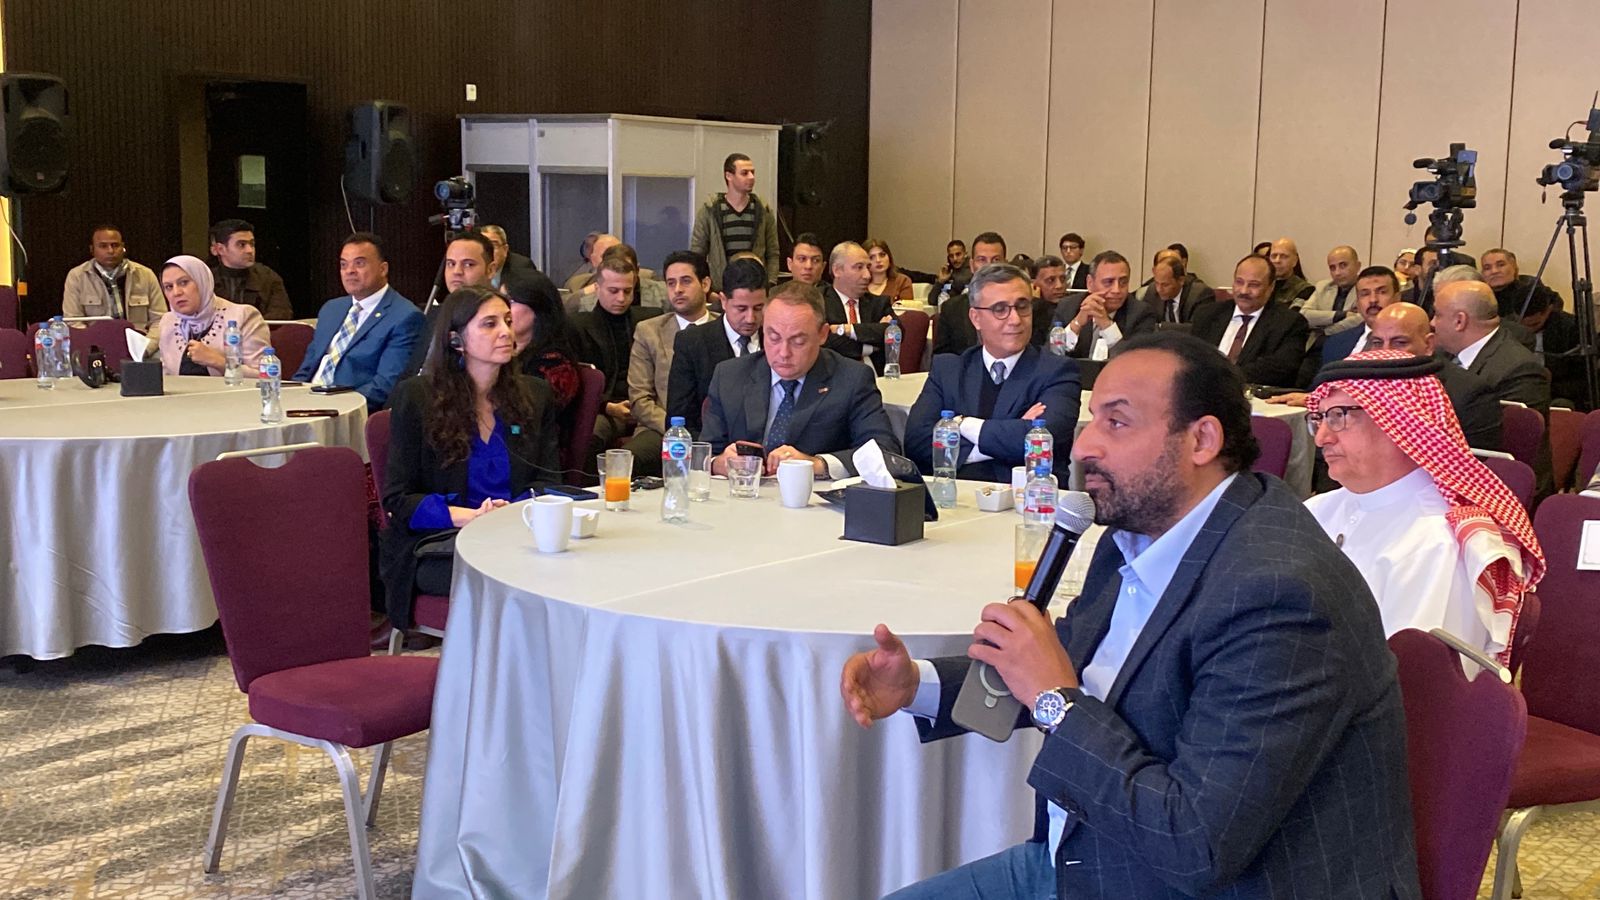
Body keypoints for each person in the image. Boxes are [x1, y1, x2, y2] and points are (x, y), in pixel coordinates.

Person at [842, 331, 1420, 898]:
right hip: (1088, 860)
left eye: (1116, 423)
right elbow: (1065, 661)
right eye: (1092, 419)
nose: (1083, 446)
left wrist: (1054, 701)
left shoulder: (1279, 595)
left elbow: (1196, 845)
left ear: (1201, 440)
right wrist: (917, 683)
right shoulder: (1140, 531)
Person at [1305, 351, 1544, 662]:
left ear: (1399, 421)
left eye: (1339, 417)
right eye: (1319, 419)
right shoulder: (1314, 510)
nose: (1322, 438)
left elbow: (1410, 677)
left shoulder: (1440, 544)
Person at [380, 286, 560, 631]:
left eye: (507, 321)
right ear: (456, 340)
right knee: (509, 575)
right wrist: (473, 518)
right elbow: (399, 499)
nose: (506, 332)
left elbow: (549, 482)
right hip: (441, 542)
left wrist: (509, 514)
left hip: (516, 533)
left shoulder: (534, 396)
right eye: (490, 324)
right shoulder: (416, 398)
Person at [702, 280, 898, 478]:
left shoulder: (852, 379)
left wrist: (817, 464)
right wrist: (717, 463)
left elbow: (885, 452)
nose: (783, 352)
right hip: (743, 492)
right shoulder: (730, 375)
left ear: (822, 335)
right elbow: (705, 452)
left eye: (798, 341)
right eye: (774, 338)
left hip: (813, 494)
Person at [904, 263, 1081, 483]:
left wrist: (961, 424)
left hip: (1028, 497)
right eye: (1000, 309)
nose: (1015, 319)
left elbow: (1044, 441)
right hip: (955, 497)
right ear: (976, 318)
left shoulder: (1058, 372)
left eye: (1022, 306)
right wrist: (1012, 433)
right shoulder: (949, 370)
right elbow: (916, 443)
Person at [1268, 303, 1505, 452]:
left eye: (1399, 342)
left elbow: (1469, 471)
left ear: (1428, 345)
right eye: (1377, 342)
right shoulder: (1357, 387)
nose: (1385, 352)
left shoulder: (1469, 394)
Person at [293, 233, 424, 411]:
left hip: (348, 411)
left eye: (359, 263)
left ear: (383, 269)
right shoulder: (331, 309)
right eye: (344, 264)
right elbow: (307, 369)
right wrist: (290, 398)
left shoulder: (405, 317)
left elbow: (384, 386)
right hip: (306, 404)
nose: (350, 271)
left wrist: (331, 408)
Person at [626, 250, 716, 474]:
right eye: (671, 283)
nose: (677, 290)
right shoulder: (649, 331)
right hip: (661, 429)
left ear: (705, 284)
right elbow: (639, 399)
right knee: (629, 459)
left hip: (716, 430)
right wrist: (677, 430)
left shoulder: (724, 329)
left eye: (686, 281)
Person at [572, 248, 664, 450]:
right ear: (597, 288)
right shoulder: (577, 326)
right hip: (605, 407)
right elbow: (576, 380)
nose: (621, 298)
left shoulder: (650, 320)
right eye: (613, 291)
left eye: (627, 291)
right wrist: (607, 406)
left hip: (649, 406)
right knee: (592, 434)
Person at [668, 257, 767, 435]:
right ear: (723, 301)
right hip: (712, 445)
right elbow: (680, 420)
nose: (750, 318)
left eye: (758, 308)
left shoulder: (776, 339)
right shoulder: (692, 343)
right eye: (741, 309)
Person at [1432, 279, 1550, 413]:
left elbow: (1508, 426)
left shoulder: (1519, 371)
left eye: (1437, 315)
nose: (1432, 323)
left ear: (1460, 321)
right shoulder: (1439, 355)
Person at [1191, 254, 1309, 386]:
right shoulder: (1208, 314)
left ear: (1271, 287)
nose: (1244, 291)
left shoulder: (1289, 323)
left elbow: (1280, 368)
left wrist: (1224, 378)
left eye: (1254, 285)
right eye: (1239, 282)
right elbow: (1191, 357)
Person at [152, 255, 270, 377]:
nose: (176, 292)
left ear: (201, 281)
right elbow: (165, 376)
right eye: (169, 287)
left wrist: (218, 361)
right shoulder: (168, 321)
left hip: (229, 390)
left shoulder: (243, 316)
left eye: (184, 282)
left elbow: (264, 376)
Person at [402, 230, 496, 379]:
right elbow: (411, 370)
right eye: (451, 264)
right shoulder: (432, 314)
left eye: (468, 264)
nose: (457, 271)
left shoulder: (499, 320)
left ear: (491, 270)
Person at [690, 152, 780, 290]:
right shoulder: (710, 210)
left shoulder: (763, 210)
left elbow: (773, 253)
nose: (751, 177)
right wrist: (706, 290)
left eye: (753, 172)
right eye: (744, 173)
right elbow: (697, 255)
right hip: (721, 289)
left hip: (755, 288)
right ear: (729, 176)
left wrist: (770, 284)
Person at [1052, 250, 1157, 360]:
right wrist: (1077, 324)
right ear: (1090, 283)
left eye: (1123, 282)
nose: (1117, 290)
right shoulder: (1069, 306)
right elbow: (1051, 355)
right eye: (1108, 282)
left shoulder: (1141, 313)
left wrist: (1106, 325)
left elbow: (1135, 360)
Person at [503, 268, 581, 412]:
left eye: (509, 301)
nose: (502, 309)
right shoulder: (501, 351)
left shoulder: (555, 365)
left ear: (538, 308)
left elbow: (528, 415)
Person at [61, 224, 167, 331]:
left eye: (115, 245)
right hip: (95, 340)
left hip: (141, 338)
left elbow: (160, 319)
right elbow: (73, 321)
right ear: (92, 249)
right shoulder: (77, 277)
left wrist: (147, 341)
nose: (110, 251)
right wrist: (92, 340)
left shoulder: (145, 275)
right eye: (103, 246)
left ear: (123, 247)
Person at [933, 232, 1007, 357]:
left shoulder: (1025, 308)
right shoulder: (951, 309)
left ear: (1005, 265)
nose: (989, 267)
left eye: (996, 260)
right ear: (972, 266)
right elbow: (942, 360)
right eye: (982, 260)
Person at [822, 241, 893, 367]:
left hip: (875, 374)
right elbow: (825, 341)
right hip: (833, 374)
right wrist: (869, 347)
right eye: (859, 267)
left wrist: (848, 329)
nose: (867, 275)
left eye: (868, 267)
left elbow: (895, 332)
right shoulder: (819, 302)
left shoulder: (879, 303)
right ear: (837, 270)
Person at [208, 219, 293, 320]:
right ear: (220, 249)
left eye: (252, 244)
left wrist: (252, 325)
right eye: (241, 245)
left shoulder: (268, 278)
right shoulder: (206, 279)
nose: (250, 250)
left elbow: (282, 314)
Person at [1520, 286, 1588, 409]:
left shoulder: (1571, 328)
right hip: (1520, 391)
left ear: (1548, 310)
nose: (1528, 330)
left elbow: (1584, 380)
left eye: (1534, 324)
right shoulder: (1510, 328)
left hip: (1557, 393)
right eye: (1523, 326)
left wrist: (1549, 383)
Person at [1320, 265, 1401, 362]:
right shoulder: (1335, 343)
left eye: (1382, 292)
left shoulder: (1412, 341)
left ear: (1397, 298)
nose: (1373, 300)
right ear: (1357, 303)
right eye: (1365, 294)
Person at [1298, 245, 1363, 335]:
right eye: (1332, 268)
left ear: (1358, 266)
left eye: (1343, 265)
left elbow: (1360, 320)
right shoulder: (1322, 286)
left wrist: (1324, 330)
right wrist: (1342, 315)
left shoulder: (1366, 290)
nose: (1337, 273)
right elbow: (1304, 315)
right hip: (1317, 342)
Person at [1483, 247, 1563, 319]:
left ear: (1514, 267)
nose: (1494, 271)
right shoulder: (1481, 297)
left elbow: (1555, 302)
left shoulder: (1529, 289)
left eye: (1501, 265)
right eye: (1487, 268)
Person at [1143, 254, 1211, 324]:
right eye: (1157, 283)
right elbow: (1145, 323)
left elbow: (1196, 327)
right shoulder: (1152, 291)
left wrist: (1160, 327)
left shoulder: (1200, 294)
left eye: (1165, 285)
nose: (1159, 289)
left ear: (1181, 280)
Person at [480, 224, 539, 289]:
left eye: (494, 246)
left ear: (505, 249)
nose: (488, 251)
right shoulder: (475, 266)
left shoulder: (521, 267)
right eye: (483, 246)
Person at [1267, 237, 1315, 305]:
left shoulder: (1305, 289)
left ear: (1295, 261)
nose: (1277, 261)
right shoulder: (1262, 286)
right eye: (1274, 256)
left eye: (1283, 256)